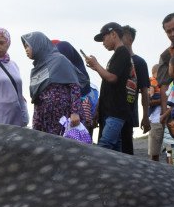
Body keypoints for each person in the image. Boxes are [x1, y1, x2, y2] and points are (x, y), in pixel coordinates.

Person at [21, 31, 85, 136]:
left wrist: (75, 112)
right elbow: (37, 99)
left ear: (38, 44)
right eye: (25, 47)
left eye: (28, 46)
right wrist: (36, 124)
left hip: (64, 119)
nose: (26, 50)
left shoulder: (60, 60)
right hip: (44, 120)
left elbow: (75, 87)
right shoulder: (36, 69)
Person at [83, 23, 133, 152]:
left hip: (116, 111)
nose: (103, 43)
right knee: (115, 151)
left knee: (103, 147)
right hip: (111, 111)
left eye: (104, 38)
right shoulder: (117, 54)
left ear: (113, 34)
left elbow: (112, 78)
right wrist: (96, 68)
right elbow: (109, 80)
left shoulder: (122, 52)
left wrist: (96, 64)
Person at [121, 25, 151, 154]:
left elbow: (144, 91)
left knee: (126, 149)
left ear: (130, 39)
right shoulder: (114, 60)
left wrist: (146, 116)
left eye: (122, 36)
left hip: (129, 112)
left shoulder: (139, 62)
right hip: (110, 112)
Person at [147, 64, 167, 161]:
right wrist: (163, 100)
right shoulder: (151, 83)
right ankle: (154, 172)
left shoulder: (168, 84)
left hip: (168, 124)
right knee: (154, 153)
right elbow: (148, 101)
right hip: (156, 122)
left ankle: (171, 171)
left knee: (170, 152)